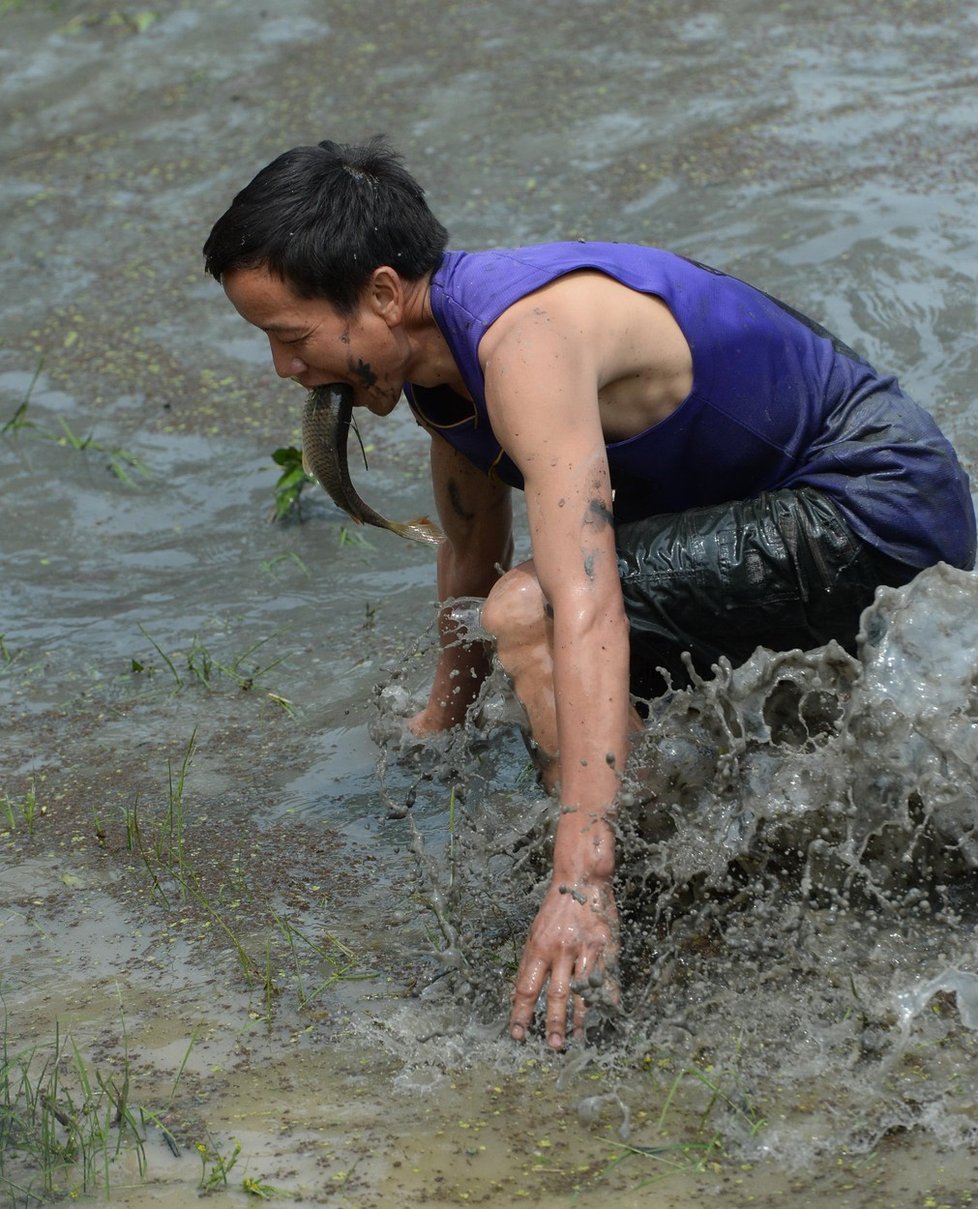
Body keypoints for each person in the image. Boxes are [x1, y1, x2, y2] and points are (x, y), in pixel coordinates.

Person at [203, 137, 976, 1051]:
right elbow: (470, 548)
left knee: (531, 616)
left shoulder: (523, 343)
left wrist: (580, 871)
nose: (284, 371)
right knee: (517, 615)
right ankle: (662, 835)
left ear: (380, 293)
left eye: (290, 339)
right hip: (767, 508)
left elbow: (583, 601)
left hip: (874, 503)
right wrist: (437, 727)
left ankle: (622, 891)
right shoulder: (434, 366)